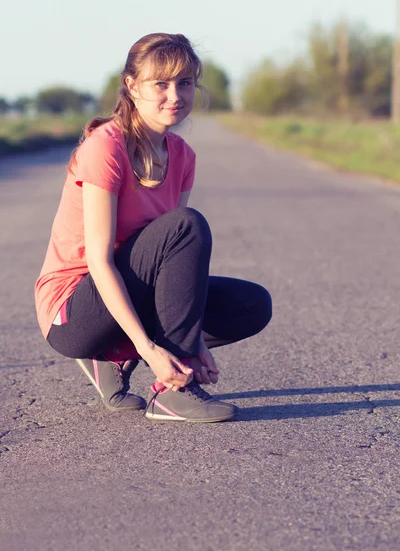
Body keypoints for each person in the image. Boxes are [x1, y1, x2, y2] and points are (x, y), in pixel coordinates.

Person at [34, 33, 272, 423]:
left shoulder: (183, 157)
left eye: (185, 82)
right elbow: (99, 261)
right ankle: (172, 393)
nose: (174, 94)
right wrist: (148, 348)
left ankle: (119, 361)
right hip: (75, 308)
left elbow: (175, 266)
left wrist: (193, 344)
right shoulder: (106, 147)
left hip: (131, 292)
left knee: (252, 305)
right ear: (132, 86)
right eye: (160, 83)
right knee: (186, 225)